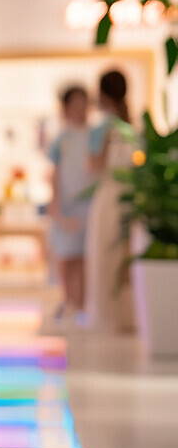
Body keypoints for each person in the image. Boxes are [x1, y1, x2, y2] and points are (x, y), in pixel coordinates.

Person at [84, 69, 136, 332]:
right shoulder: (131, 126)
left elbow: (94, 166)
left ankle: (108, 316)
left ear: (103, 93)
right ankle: (128, 315)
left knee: (105, 255)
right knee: (125, 255)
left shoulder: (104, 127)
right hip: (131, 197)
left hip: (109, 197)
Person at [47, 85, 95, 324]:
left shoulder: (94, 135)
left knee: (84, 257)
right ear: (65, 108)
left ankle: (82, 304)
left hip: (89, 206)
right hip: (66, 206)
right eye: (75, 104)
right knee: (66, 256)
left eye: (83, 103)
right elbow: (54, 175)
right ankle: (68, 300)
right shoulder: (60, 140)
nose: (80, 108)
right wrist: (55, 207)